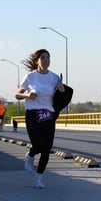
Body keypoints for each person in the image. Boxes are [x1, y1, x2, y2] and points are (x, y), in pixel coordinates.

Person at [15, 49, 65, 189]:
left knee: (46, 149)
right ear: (37, 61)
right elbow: (17, 95)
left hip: (48, 115)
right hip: (33, 114)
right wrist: (27, 95)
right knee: (38, 145)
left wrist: (61, 89)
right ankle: (29, 156)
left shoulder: (55, 77)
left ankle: (38, 178)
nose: (45, 60)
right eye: (42, 57)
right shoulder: (30, 76)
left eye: (48, 57)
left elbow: (62, 96)